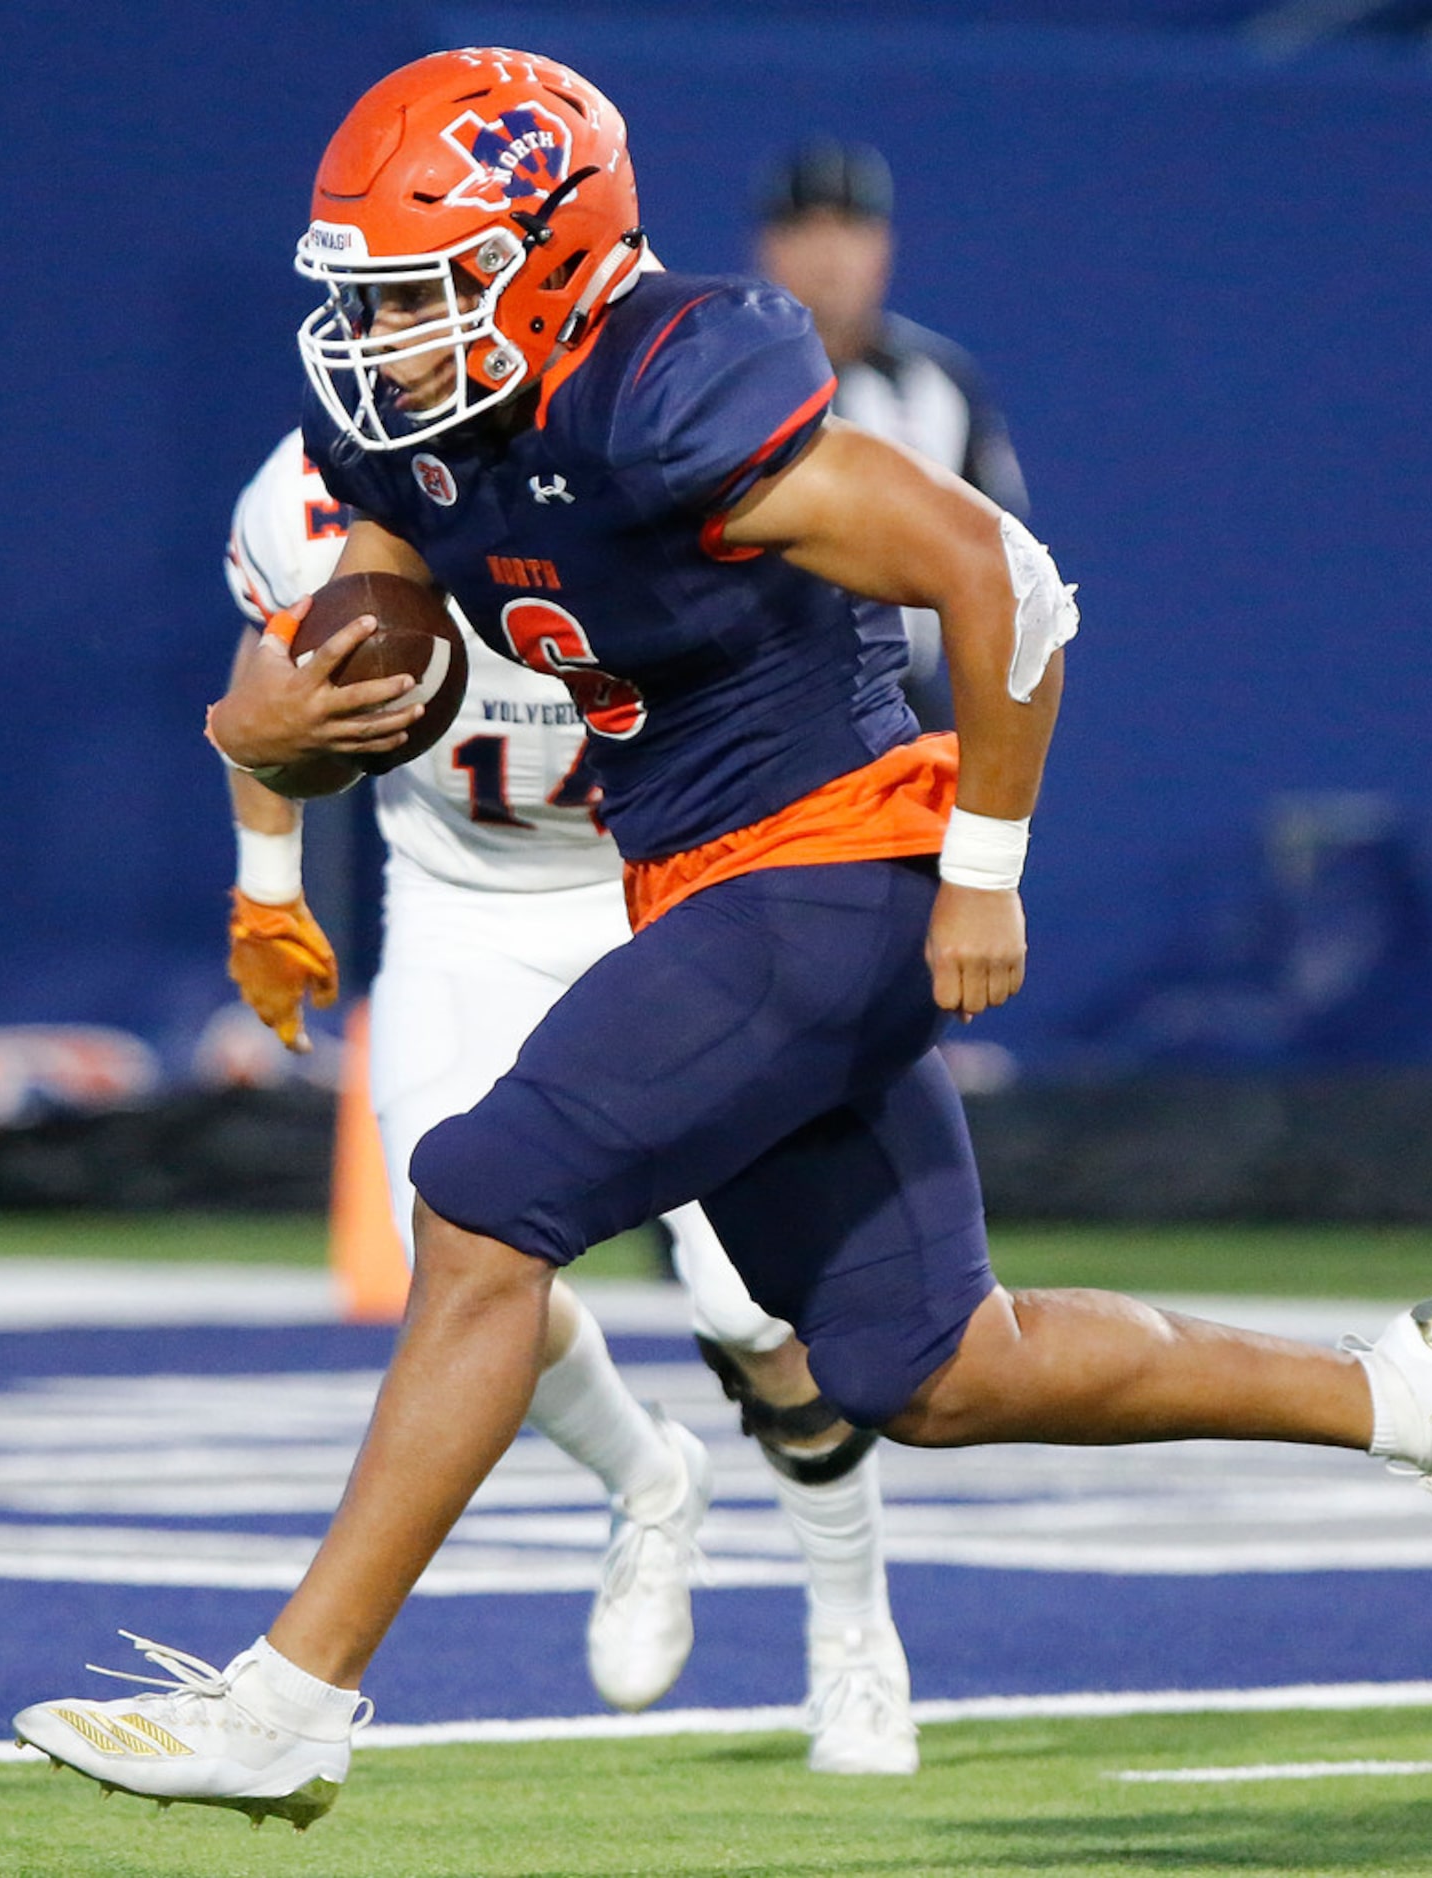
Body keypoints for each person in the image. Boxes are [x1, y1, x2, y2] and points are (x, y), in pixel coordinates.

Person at [14, 47, 1432, 1831]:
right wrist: (279, 729)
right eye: (370, 301)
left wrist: (986, 868)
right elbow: (388, 613)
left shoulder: (665, 388)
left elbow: (1000, 576)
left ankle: (290, 1700)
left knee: (482, 1203)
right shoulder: (416, 426)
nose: (384, 343)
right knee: (932, 1367)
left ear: (550, 260)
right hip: (702, 886)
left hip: (827, 873)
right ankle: (1409, 1396)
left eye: (422, 295)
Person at [217, 426, 917, 1773]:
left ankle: (856, 1637)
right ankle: (650, 1477)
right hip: (463, 902)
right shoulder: (312, 501)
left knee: (758, 1306)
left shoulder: (652, 437)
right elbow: (268, 689)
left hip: (678, 886)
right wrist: (266, 878)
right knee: (463, 1253)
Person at [753, 138, 1031, 732]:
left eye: (850, 229)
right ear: (768, 248)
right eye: (805, 229)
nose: (828, 256)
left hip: (903, 709)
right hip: (752, 705)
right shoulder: (714, 377)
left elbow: (1004, 561)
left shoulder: (941, 382)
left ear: (884, 247)